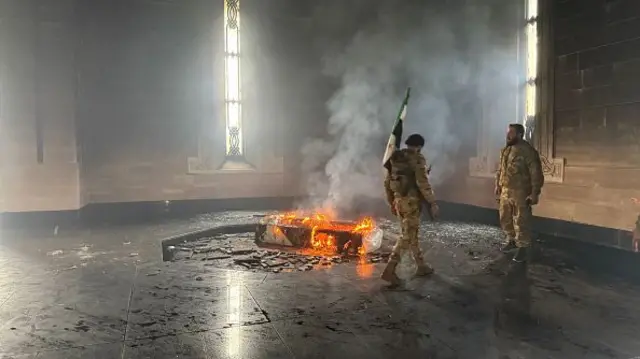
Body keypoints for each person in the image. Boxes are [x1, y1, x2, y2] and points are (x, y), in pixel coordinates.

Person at [381, 134, 439, 286]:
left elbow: (387, 182)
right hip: (411, 202)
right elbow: (422, 183)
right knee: (407, 236)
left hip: (399, 201)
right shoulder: (418, 159)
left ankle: (421, 266)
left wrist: (391, 202)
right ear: (419, 146)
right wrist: (432, 202)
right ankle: (390, 269)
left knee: (412, 233)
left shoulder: (395, 158)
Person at [495, 123, 544, 263]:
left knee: (521, 219)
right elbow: (501, 169)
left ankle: (522, 247)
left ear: (519, 134)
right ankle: (511, 239)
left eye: (511, 133)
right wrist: (497, 185)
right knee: (505, 217)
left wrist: (535, 193)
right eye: (507, 132)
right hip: (505, 190)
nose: (508, 135)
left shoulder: (528, 151)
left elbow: (536, 174)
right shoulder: (506, 150)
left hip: (521, 191)